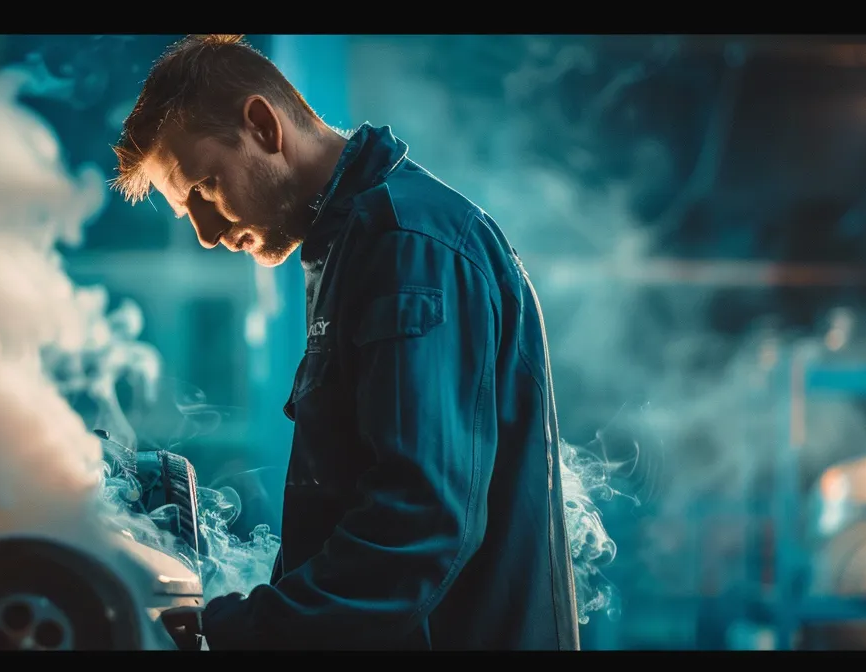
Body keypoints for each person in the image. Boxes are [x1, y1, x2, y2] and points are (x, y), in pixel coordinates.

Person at [111, 34, 580, 651]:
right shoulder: (355, 247)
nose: (204, 232)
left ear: (261, 126)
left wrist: (250, 632)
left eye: (203, 188)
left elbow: (419, 524)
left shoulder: (408, 245)